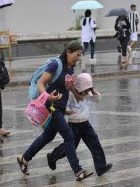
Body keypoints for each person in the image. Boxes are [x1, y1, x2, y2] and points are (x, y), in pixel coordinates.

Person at [16, 40, 94, 181]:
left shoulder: (70, 67)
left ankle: (24, 157)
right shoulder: (55, 64)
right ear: (68, 52)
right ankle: (77, 171)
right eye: (76, 55)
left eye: (80, 55)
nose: (78, 58)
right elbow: (41, 83)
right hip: (50, 105)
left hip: (59, 107)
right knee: (69, 135)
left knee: (48, 136)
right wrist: (48, 97)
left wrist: (66, 108)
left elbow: (64, 88)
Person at [47, 73, 113, 176]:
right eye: (85, 89)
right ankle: (52, 156)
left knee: (95, 144)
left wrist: (93, 91)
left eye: (88, 89)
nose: (86, 91)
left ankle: (101, 167)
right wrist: (67, 111)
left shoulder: (87, 93)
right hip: (74, 125)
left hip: (86, 124)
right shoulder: (70, 94)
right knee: (69, 147)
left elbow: (98, 100)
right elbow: (65, 105)